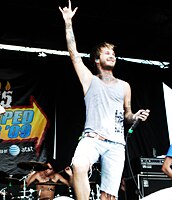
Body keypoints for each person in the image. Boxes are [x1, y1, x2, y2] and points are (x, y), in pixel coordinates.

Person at [59, 1, 150, 200]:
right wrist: (68, 23)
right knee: (79, 165)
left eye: (114, 53)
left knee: (109, 195)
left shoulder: (125, 86)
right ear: (96, 60)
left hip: (116, 144)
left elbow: (127, 114)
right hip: (93, 138)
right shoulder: (89, 80)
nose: (112, 55)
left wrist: (136, 116)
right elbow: (74, 54)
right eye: (107, 53)